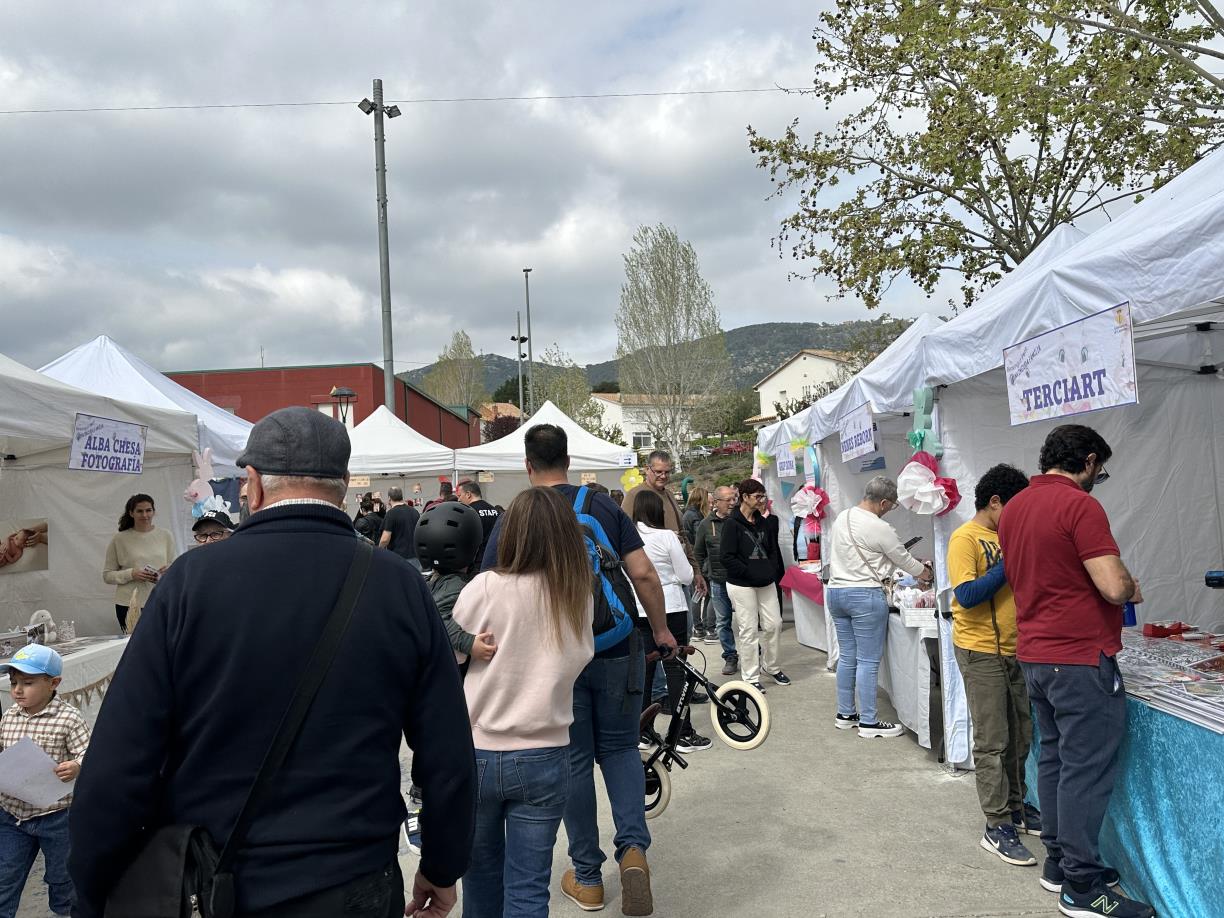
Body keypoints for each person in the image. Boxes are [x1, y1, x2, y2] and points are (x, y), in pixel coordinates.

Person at [69, 406, 476, 918]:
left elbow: (120, 760)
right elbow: (447, 747)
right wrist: (442, 863)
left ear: (254, 484)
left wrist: (92, 888)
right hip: (354, 880)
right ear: (343, 487)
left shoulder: (190, 583)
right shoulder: (398, 585)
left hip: (216, 883)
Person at [480, 424, 675, 917]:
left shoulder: (518, 515)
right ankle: (633, 850)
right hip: (615, 646)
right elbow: (644, 573)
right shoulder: (603, 505)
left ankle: (587, 878)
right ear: (568, 461)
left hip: (552, 656)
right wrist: (660, 631)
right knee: (621, 748)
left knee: (574, 760)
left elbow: (488, 587)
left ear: (527, 465)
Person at [998, 424, 1153, 918]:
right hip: (1079, 657)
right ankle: (1082, 887)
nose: (1097, 480)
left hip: (1036, 653)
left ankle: (1059, 863)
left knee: (1056, 760)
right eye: (1099, 471)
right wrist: (1128, 585)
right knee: (1085, 770)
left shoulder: (1015, 507)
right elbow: (1112, 586)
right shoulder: (1080, 506)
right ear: (1087, 461)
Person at [453, 487, 595, 916]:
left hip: (479, 747)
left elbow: (452, 653)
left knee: (479, 876)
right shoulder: (577, 594)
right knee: (530, 888)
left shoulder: (485, 587)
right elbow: (580, 658)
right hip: (545, 751)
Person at [946, 464, 1040, 867]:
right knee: (993, 739)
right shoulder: (965, 538)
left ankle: (1017, 807)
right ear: (995, 502)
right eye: (1015, 508)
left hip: (1017, 649)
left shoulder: (1008, 536)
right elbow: (967, 595)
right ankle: (996, 823)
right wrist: (1008, 562)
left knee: (1021, 733)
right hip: (980, 649)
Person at [824, 476, 931, 737]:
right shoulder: (879, 527)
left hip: (836, 592)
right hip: (864, 595)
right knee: (868, 661)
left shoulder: (843, 517)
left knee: (847, 657)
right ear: (883, 502)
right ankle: (869, 722)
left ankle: (845, 714)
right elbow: (903, 560)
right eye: (892, 505)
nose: (891, 509)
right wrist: (925, 573)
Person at [0, 645, 89, 918]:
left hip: (56, 816)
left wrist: (76, 765)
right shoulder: (9, 716)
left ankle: (64, 912)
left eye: (27, 683)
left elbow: (90, 752)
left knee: (62, 877)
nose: (18, 690)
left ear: (53, 683)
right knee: (5, 875)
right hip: (12, 815)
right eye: (13, 683)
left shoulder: (68, 718)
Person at [631, 489, 710, 753]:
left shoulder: (628, 536)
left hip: (639, 608)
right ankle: (682, 733)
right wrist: (671, 578)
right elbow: (686, 575)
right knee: (676, 669)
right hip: (671, 606)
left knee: (645, 671)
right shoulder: (666, 536)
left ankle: (642, 731)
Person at [719, 478, 788, 692]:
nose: (762, 500)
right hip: (741, 584)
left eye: (763, 496)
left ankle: (771, 666)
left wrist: (772, 571)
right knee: (748, 630)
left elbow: (773, 550)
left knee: (774, 624)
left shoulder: (764, 523)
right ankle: (750, 676)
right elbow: (726, 557)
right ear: (745, 497)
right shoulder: (731, 524)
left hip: (766, 582)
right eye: (758, 497)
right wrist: (750, 573)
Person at [621, 451, 707, 600]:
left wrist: (696, 571)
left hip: (678, 575)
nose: (663, 476)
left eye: (667, 472)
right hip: (652, 577)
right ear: (647, 469)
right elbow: (624, 534)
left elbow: (683, 534)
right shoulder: (634, 495)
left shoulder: (669, 495)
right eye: (658, 472)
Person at [102, 493, 177, 634]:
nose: (145, 515)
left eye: (148, 510)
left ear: (154, 511)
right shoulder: (119, 539)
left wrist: (170, 570)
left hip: (161, 600)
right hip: (129, 604)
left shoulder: (166, 535)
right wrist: (131, 574)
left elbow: (175, 566)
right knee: (134, 643)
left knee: (162, 641)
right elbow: (107, 575)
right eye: (139, 511)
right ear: (131, 513)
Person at [694, 486, 740, 675]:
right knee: (723, 622)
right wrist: (700, 576)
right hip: (718, 581)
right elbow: (698, 552)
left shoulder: (740, 520)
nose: (732, 503)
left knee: (747, 620)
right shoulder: (706, 524)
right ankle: (730, 656)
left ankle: (754, 651)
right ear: (717, 502)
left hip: (741, 580)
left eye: (734, 499)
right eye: (728, 500)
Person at [681, 488, 715, 640]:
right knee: (709, 594)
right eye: (710, 501)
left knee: (697, 594)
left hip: (691, 559)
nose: (711, 504)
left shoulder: (686, 513)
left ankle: (699, 629)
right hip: (701, 559)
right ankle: (708, 628)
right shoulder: (697, 517)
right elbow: (702, 539)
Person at [456, 480, 502, 564]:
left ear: (468, 494)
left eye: (459, 496)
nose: (459, 500)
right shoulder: (495, 511)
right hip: (496, 558)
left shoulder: (467, 513)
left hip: (477, 561)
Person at [380, 486, 422, 570]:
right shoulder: (415, 512)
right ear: (402, 496)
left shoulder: (391, 514)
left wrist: (380, 550)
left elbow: (385, 539)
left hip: (398, 558)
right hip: (416, 557)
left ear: (389, 498)